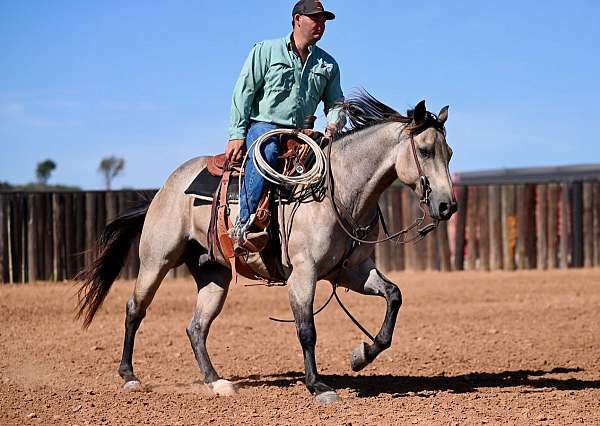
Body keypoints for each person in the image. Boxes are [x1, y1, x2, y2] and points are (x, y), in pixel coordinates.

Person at [226, 0, 345, 252]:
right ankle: (244, 225)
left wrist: (333, 125)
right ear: (297, 20)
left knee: (332, 165)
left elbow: (336, 103)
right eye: (316, 19)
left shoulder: (328, 65)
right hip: (265, 126)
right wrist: (237, 135)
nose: (321, 25)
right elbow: (244, 93)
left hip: (304, 133)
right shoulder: (266, 50)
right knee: (267, 150)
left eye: (324, 20)